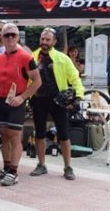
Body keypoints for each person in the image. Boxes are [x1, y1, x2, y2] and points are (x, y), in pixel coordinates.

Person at [0, 23, 42, 186]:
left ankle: (14, 171)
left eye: (13, 35)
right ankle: (6, 168)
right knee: (3, 135)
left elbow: (38, 81)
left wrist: (22, 97)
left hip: (17, 101)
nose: (10, 38)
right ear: (2, 38)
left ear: (18, 37)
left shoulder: (26, 57)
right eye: (7, 35)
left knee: (14, 137)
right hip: (2, 102)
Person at [29, 28, 82, 180]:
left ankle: (68, 167)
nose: (44, 42)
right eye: (42, 39)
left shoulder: (62, 58)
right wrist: (25, 98)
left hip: (59, 100)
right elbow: (26, 80)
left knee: (64, 134)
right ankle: (41, 165)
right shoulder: (32, 57)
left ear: (54, 42)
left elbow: (75, 77)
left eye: (48, 40)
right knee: (39, 133)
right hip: (38, 99)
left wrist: (78, 96)